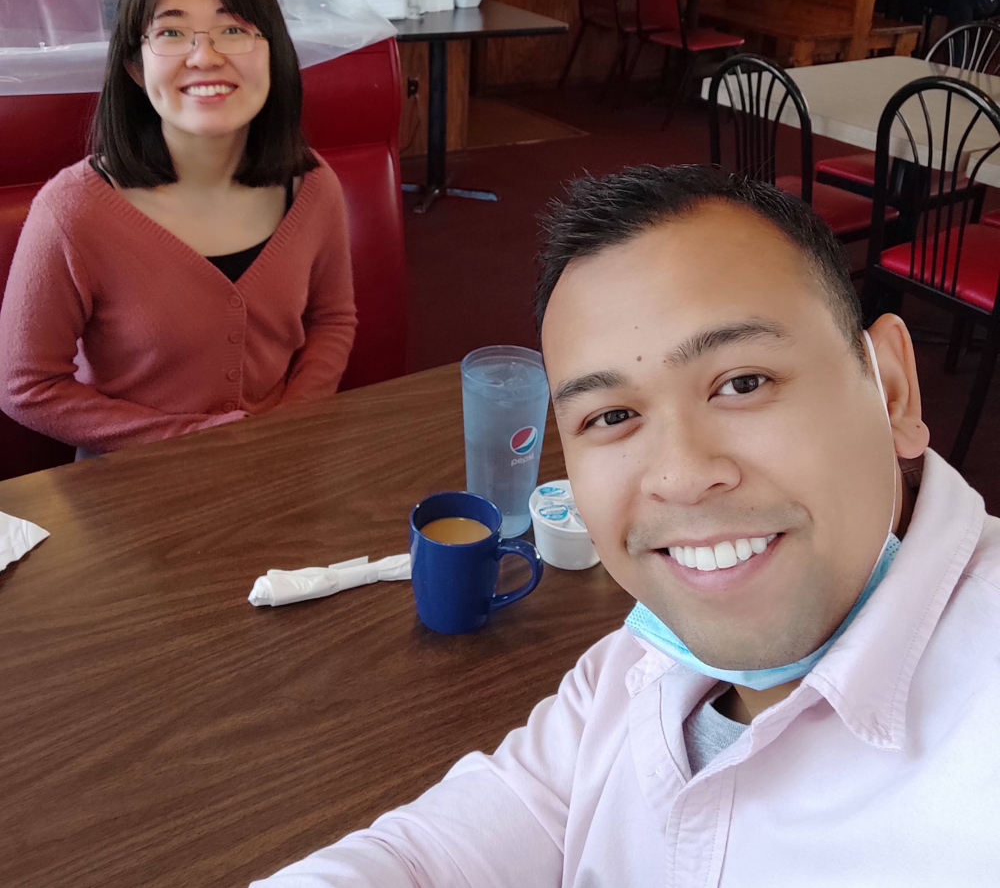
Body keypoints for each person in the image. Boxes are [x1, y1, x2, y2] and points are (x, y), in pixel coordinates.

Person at [249, 166, 1000, 887]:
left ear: (892, 388)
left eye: (743, 382)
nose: (678, 474)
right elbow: (441, 850)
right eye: (612, 416)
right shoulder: (635, 664)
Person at [0, 0, 356, 457]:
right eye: (171, 32)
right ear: (135, 68)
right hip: (135, 490)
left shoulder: (313, 185)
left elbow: (332, 321)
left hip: (282, 466)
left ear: (273, 53)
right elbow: (26, 385)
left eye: (233, 29)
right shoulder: (71, 211)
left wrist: (286, 427)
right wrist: (198, 443)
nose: (205, 56)